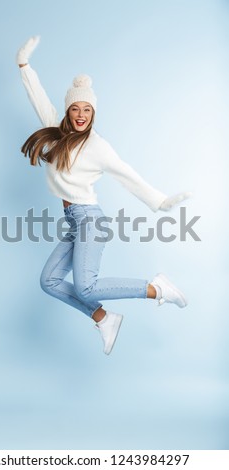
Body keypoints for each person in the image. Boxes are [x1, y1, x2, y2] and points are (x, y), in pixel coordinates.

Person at [16, 36, 191, 355]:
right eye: (75, 108)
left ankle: (156, 288)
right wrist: (24, 65)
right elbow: (38, 98)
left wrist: (161, 202)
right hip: (73, 221)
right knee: (49, 281)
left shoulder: (98, 146)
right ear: (68, 111)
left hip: (90, 220)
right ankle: (103, 317)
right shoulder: (56, 134)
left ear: (93, 113)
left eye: (87, 109)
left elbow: (128, 175)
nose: (81, 114)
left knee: (86, 285)